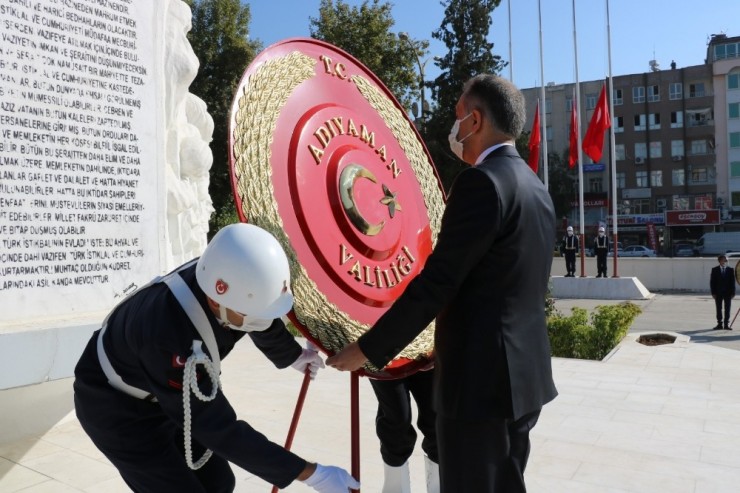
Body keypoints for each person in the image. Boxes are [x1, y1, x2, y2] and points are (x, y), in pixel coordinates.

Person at [327, 74, 558, 492]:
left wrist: (367, 350)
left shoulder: (480, 183)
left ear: (476, 120)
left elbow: (437, 283)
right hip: (524, 380)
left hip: (479, 386)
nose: (453, 128)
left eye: (457, 116)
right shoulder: (534, 186)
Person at [73, 223, 360, 493]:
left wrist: (292, 355)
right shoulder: (168, 336)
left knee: (219, 483)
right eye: (255, 315)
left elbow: (258, 313)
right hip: (117, 409)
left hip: (163, 392)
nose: (262, 321)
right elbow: (219, 430)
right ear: (215, 300)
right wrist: (311, 474)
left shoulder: (223, 278)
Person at [369, 369, 439, 493]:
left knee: (436, 421)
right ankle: (395, 489)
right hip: (384, 358)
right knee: (396, 420)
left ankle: (439, 488)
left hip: (428, 353)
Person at [710, 254, 736, 330]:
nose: (725, 261)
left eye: (725, 260)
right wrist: (713, 293)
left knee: (727, 308)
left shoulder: (730, 270)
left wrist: (733, 292)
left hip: (728, 293)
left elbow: (732, 282)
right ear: (720, 261)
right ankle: (719, 324)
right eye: (723, 260)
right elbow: (712, 282)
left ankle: (726, 324)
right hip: (718, 293)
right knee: (718, 308)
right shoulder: (715, 270)